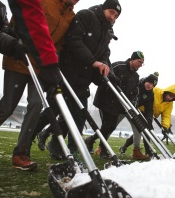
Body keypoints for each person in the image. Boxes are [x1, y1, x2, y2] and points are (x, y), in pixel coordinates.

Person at [0, 0, 79, 170]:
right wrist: (16, 42)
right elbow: (21, 18)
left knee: (36, 104)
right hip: (20, 57)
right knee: (7, 106)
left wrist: (53, 62)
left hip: (42, 64)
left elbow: (60, 43)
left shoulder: (71, 16)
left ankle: (21, 152)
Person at [32, 0, 121, 161]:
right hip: (65, 75)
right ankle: (28, 137)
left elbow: (104, 56)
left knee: (79, 116)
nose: (113, 17)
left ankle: (73, 150)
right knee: (52, 112)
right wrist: (93, 62)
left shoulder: (106, 32)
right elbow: (74, 41)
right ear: (104, 9)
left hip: (82, 81)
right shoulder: (86, 15)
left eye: (116, 16)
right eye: (111, 12)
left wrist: (106, 70)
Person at [85, 51, 145, 159]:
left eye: (142, 63)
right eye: (139, 62)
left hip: (118, 106)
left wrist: (133, 103)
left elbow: (134, 93)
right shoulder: (118, 66)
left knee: (110, 126)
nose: (140, 65)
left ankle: (91, 140)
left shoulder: (136, 76)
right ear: (132, 59)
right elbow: (105, 78)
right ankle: (102, 149)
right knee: (107, 125)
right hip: (105, 101)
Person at [120, 84, 175, 156]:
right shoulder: (156, 91)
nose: (170, 99)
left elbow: (166, 115)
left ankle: (124, 147)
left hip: (149, 116)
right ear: (166, 92)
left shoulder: (169, 104)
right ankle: (148, 151)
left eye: (173, 98)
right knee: (147, 131)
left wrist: (165, 126)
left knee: (142, 131)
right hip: (141, 111)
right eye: (170, 96)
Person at [118, 72, 158, 160]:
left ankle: (136, 151)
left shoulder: (150, 94)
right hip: (123, 107)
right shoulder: (136, 84)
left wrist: (149, 121)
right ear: (146, 81)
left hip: (133, 110)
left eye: (152, 85)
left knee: (138, 129)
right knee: (110, 127)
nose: (150, 86)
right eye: (149, 83)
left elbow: (149, 109)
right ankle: (100, 146)